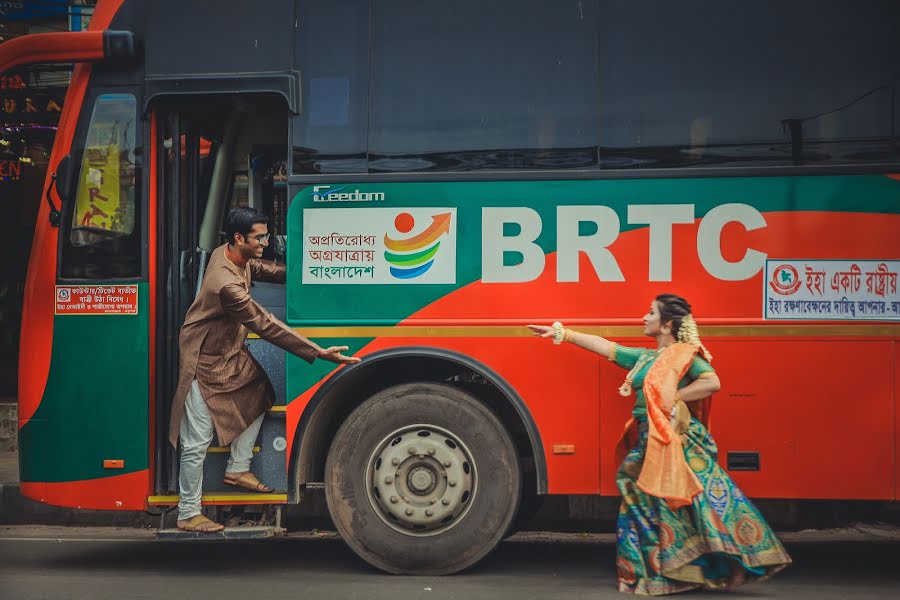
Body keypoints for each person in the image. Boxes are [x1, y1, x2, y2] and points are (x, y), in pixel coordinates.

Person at [528, 294, 790, 595]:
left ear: (666, 325)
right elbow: (607, 348)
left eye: (650, 313)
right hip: (647, 437)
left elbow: (711, 382)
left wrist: (674, 398)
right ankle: (664, 572)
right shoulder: (644, 359)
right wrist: (564, 334)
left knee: (699, 504)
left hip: (674, 439)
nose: (644, 317)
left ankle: (713, 565)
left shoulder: (686, 355)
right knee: (650, 503)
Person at [169, 207, 360, 533]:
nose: (266, 241)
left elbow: (257, 266)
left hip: (228, 353)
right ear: (239, 238)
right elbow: (266, 324)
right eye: (259, 237)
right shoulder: (224, 283)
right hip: (203, 361)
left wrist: (299, 271)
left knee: (260, 392)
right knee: (196, 441)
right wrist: (317, 352)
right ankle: (188, 513)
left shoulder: (230, 255)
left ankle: (237, 468)